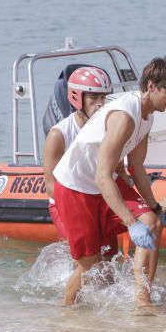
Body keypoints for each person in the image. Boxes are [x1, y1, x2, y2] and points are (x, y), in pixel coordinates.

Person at [52, 55, 166, 306]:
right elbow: (101, 176)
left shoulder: (148, 116)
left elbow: (135, 167)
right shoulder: (124, 116)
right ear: (151, 86)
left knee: (153, 223)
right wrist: (130, 222)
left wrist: (153, 207)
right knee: (90, 265)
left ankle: (142, 300)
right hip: (76, 186)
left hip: (104, 182)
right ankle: (66, 312)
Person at [43, 66, 112, 241]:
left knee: (109, 256)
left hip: (99, 197)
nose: (100, 103)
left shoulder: (109, 127)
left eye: (103, 97)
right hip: (66, 202)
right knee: (89, 258)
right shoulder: (58, 135)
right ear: (77, 98)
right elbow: (51, 186)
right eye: (93, 97)